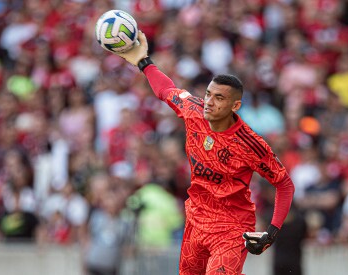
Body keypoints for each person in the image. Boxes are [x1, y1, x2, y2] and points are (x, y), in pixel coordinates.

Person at [115, 31, 295, 275]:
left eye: (218, 98)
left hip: (231, 229)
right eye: (209, 94)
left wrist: (272, 231)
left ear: (235, 106)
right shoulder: (194, 111)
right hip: (196, 222)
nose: (209, 102)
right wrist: (143, 62)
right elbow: (165, 90)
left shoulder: (251, 144)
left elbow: (284, 184)